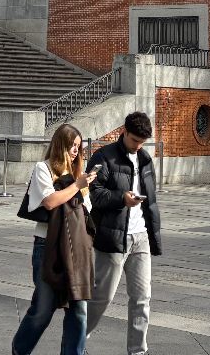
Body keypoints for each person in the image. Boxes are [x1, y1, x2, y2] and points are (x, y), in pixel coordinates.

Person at [11, 122, 97, 355]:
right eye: (72, 145)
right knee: (43, 309)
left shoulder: (79, 173)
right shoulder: (43, 168)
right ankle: (20, 349)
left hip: (76, 249)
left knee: (79, 309)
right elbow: (49, 201)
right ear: (61, 144)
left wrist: (82, 184)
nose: (76, 151)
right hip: (47, 245)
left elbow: (86, 209)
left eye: (79, 146)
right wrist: (77, 186)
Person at [87, 111, 162, 355]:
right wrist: (122, 198)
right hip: (112, 237)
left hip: (140, 237)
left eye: (142, 142)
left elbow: (151, 201)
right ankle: (76, 340)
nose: (138, 146)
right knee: (101, 298)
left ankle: (138, 351)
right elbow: (94, 193)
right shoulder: (104, 157)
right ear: (124, 132)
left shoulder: (146, 159)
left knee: (142, 299)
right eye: (134, 141)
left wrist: (154, 235)